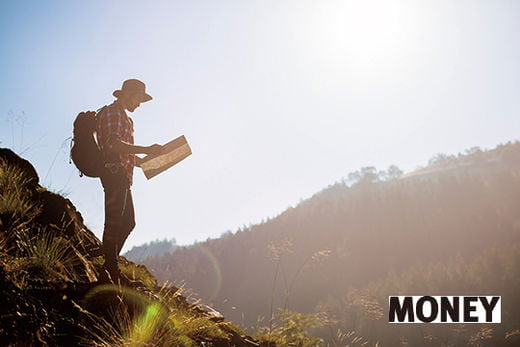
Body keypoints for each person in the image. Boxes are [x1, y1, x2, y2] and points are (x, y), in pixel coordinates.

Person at [96, 79, 163, 282]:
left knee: (127, 222)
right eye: (138, 98)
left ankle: (109, 266)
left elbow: (125, 152)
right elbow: (113, 145)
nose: (139, 104)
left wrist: (144, 162)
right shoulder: (113, 112)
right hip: (113, 173)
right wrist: (146, 149)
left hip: (122, 174)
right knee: (115, 222)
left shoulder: (126, 118)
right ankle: (110, 271)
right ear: (128, 94)